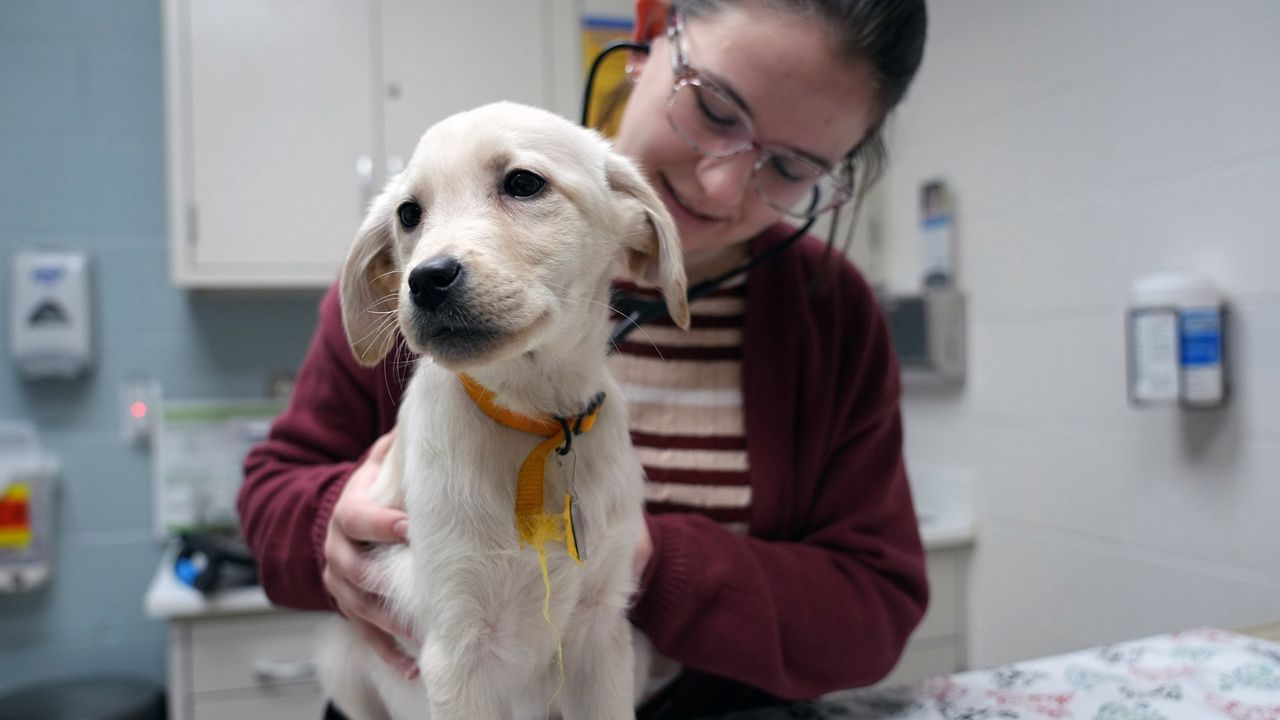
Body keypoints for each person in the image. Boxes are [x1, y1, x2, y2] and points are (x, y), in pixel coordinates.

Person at [237, 0, 930, 717]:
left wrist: (644, 563)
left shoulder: (831, 315)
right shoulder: (431, 272)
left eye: (789, 165)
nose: (720, 184)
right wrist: (335, 533)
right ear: (651, 32)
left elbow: (875, 610)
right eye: (717, 111)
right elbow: (268, 498)